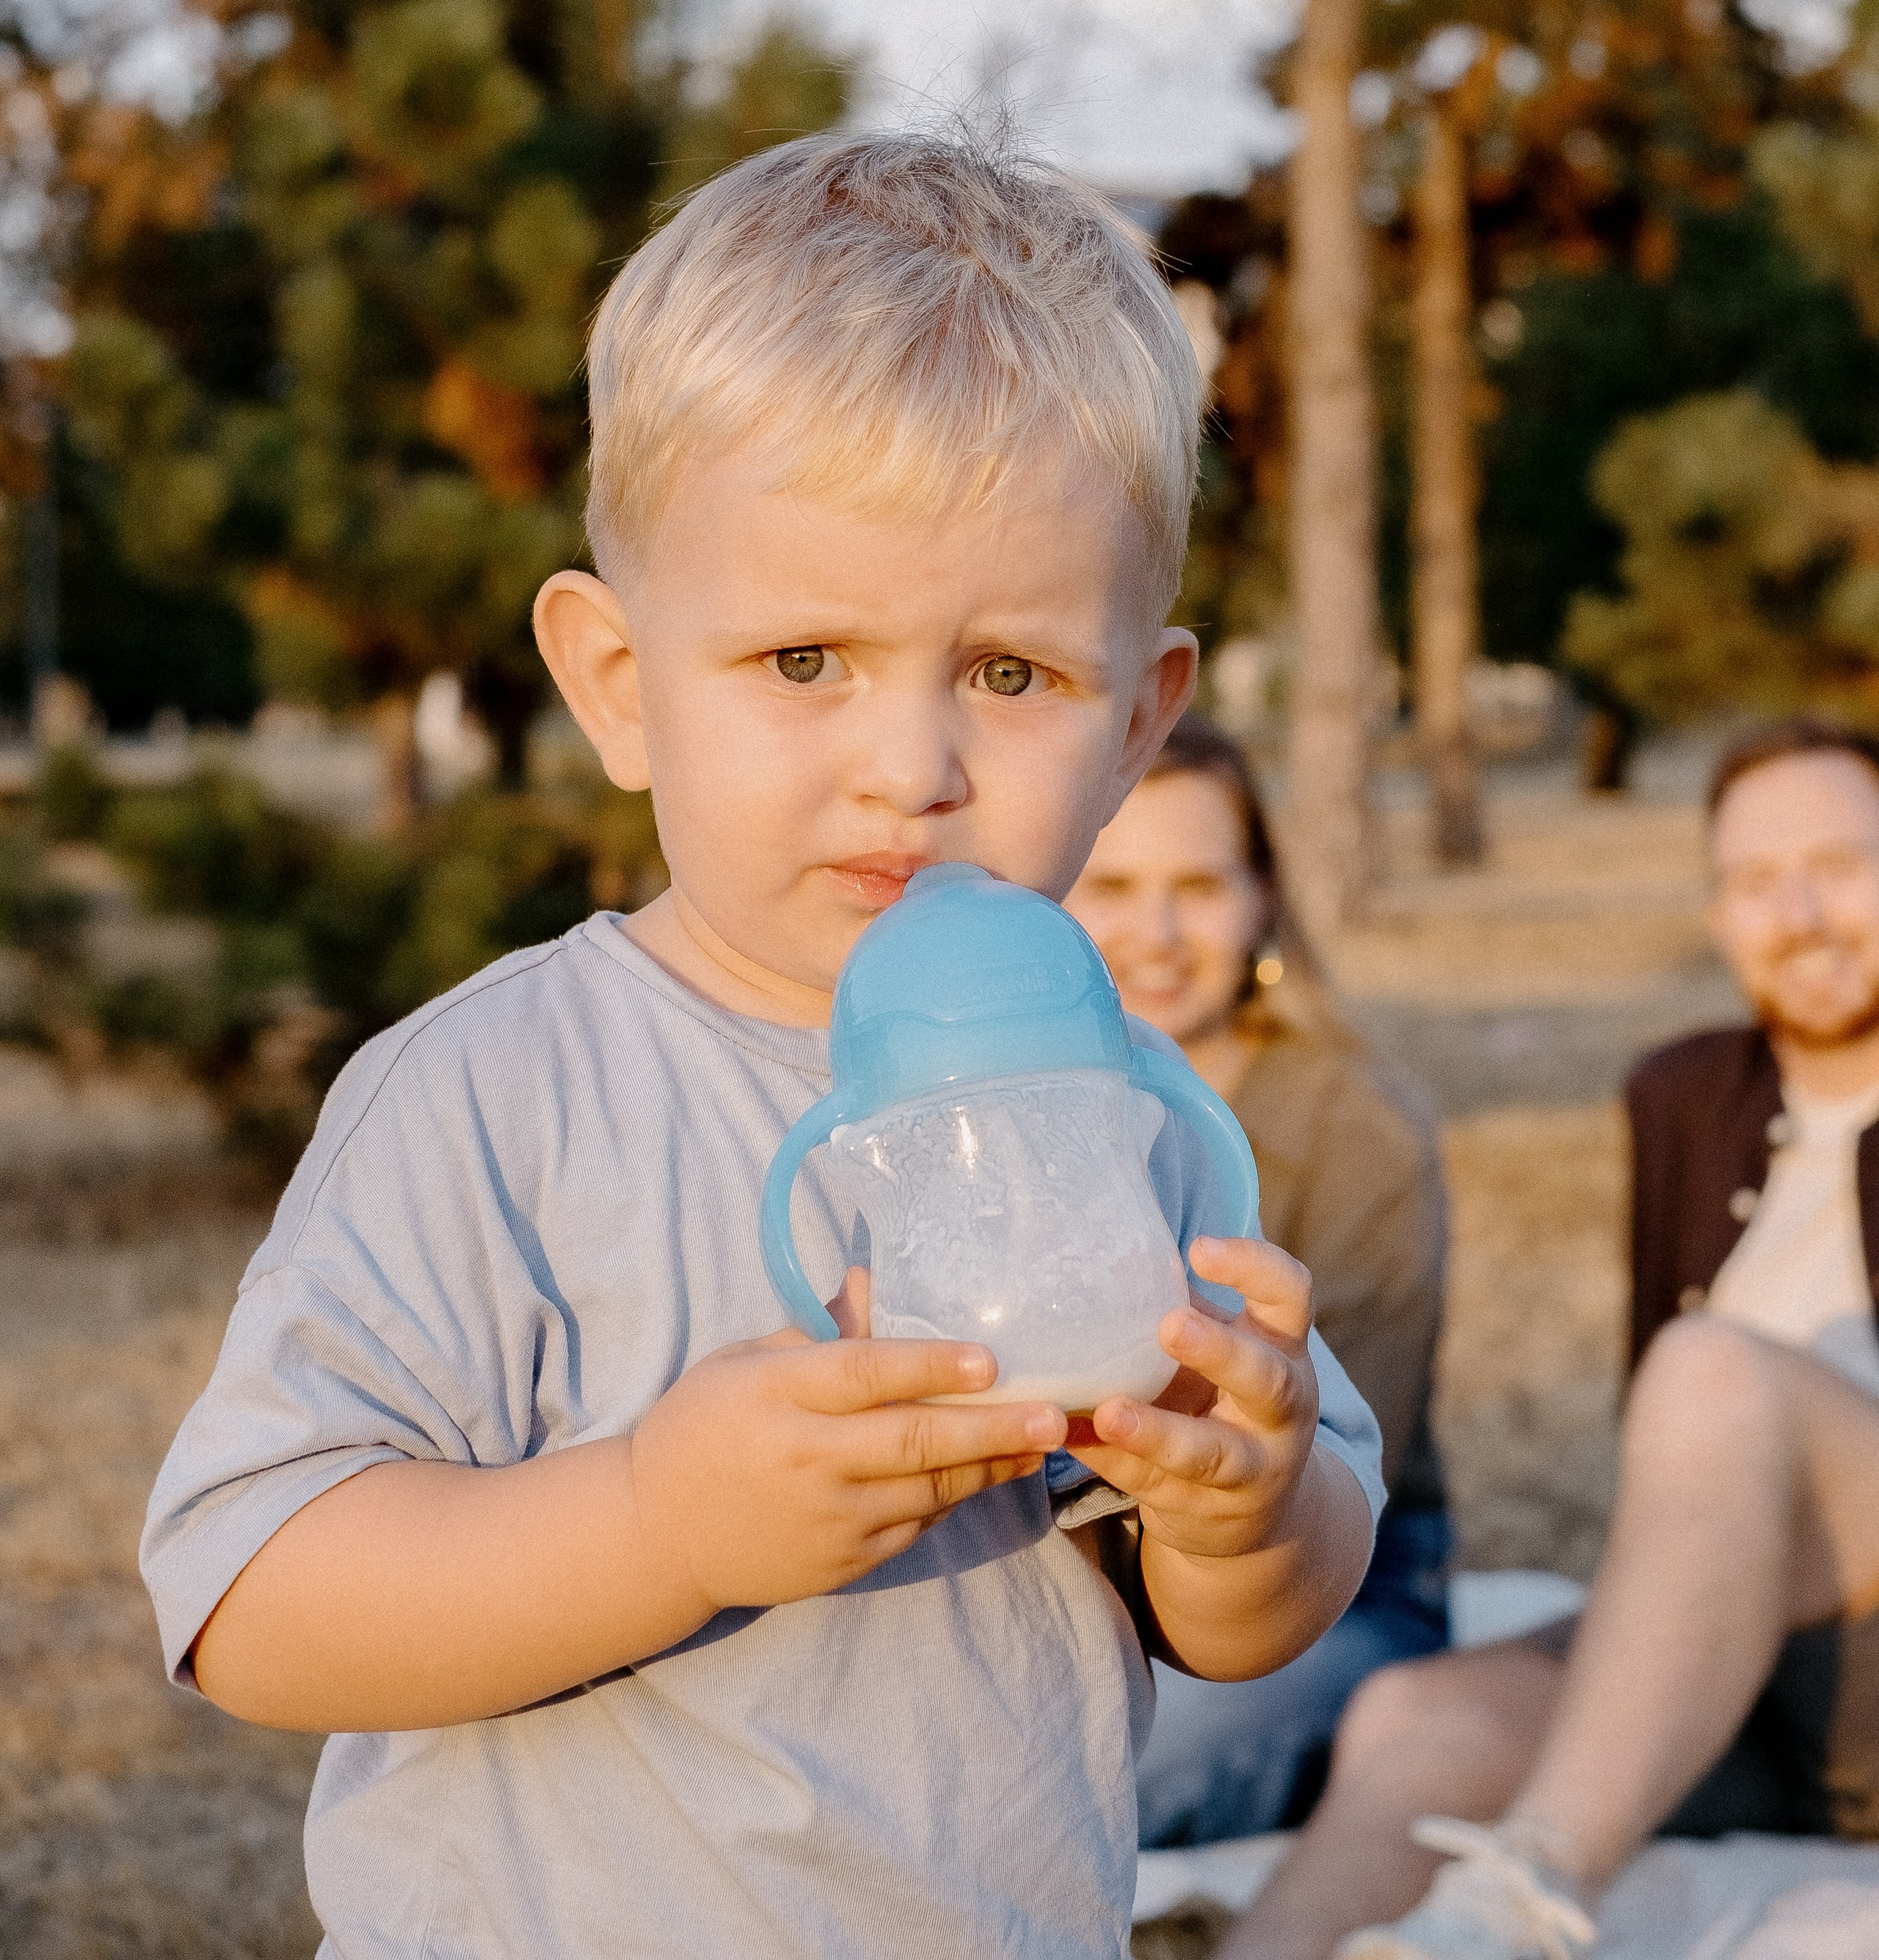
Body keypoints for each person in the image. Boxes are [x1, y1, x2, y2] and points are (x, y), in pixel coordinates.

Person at [139, 133, 1385, 1960]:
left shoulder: (1126, 1111)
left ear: (1139, 724)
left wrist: (1246, 1507)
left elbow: (1258, 1609)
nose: (910, 764)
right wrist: (657, 1524)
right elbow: (251, 1601)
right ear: (618, 683)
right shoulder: (493, 1095)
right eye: (804, 661)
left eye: (1011, 674)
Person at [1218, 716, 1879, 1960]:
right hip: (1752, 1684)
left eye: (1841, 867)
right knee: (1418, 1715)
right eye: (1752, 882)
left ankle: (1525, 1898)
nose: (1799, 913)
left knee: (1712, 1369)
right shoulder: (1687, 1094)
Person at [1067, 716, 1450, 1845]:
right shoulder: (1014, 1112)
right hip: (1072, 1575)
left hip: (1327, 1587)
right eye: (1115, 885)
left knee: (1058, 1799)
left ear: (1262, 899)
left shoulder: (1358, 1129)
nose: (1160, 933)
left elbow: (1352, 1441)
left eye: (1201, 884)